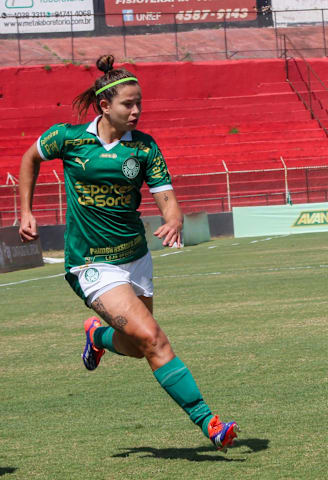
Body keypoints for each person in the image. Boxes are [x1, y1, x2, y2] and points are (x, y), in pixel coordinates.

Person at [18, 55, 239, 451]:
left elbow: (167, 197)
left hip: (135, 258)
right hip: (91, 263)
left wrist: (173, 219)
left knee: (140, 347)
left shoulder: (145, 148)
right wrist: (26, 210)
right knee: (154, 339)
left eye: (139, 103)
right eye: (128, 104)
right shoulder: (68, 139)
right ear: (105, 106)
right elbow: (30, 157)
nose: (136, 111)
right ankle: (210, 423)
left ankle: (98, 335)